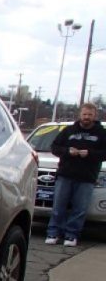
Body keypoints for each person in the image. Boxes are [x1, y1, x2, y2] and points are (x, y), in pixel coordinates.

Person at [45, 103, 106, 247]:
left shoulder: (101, 133)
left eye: (90, 115)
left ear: (94, 116)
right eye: (84, 114)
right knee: (58, 206)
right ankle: (53, 233)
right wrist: (67, 151)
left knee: (79, 209)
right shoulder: (69, 130)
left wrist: (90, 154)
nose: (86, 117)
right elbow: (54, 147)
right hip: (65, 175)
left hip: (87, 177)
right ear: (80, 115)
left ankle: (71, 235)